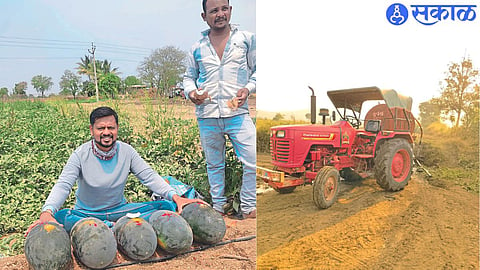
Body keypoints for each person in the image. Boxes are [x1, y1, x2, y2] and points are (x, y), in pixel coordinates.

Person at [27, 106, 202, 234]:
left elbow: (149, 177)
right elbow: (63, 185)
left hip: (120, 210)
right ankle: (118, 226)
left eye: (111, 127)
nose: (106, 132)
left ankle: (112, 225)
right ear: (92, 130)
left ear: (117, 129)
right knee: (62, 217)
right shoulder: (80, 154)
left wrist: (176, 197)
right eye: (100, 128)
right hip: (86, 214)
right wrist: (47, 211)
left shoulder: (127, 151)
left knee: (165, 205)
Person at [183, 0, 256, 219]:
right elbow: (188, 77)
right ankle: (217, 207)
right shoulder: (197, 48)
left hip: (238, 114)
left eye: (224, 9)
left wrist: (248, 88)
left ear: (230, 11)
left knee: (252, 159)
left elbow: (258, 70)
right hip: (208, 115)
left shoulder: (247, 40)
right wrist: (192, 93)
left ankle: (248, 206)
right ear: (204, 16)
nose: (220, 14)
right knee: (214, 164)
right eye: (214, 10)